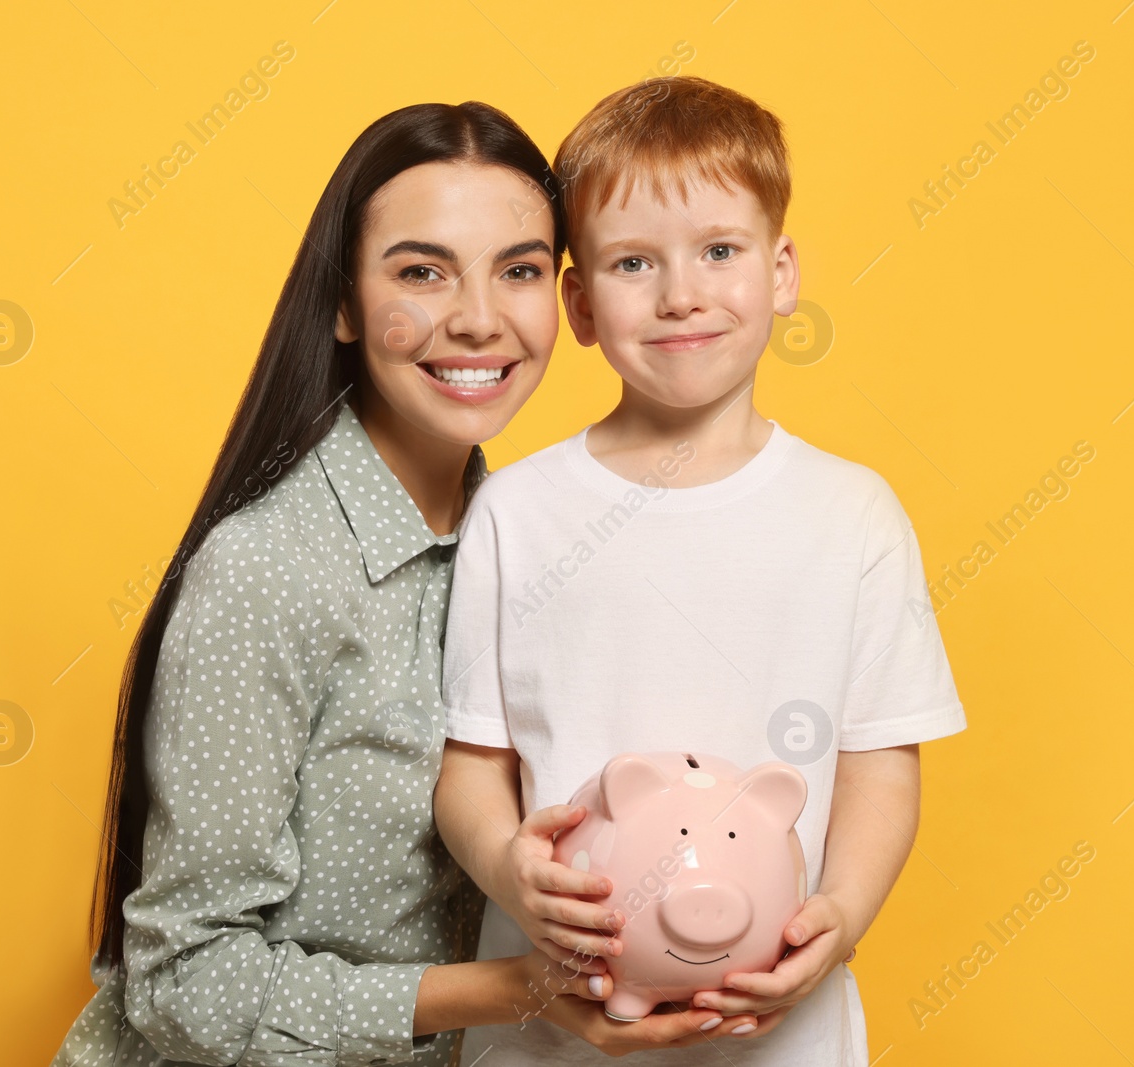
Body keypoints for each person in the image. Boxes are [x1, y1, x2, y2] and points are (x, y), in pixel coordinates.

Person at [50, 100, 757, 1067]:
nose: (476, 318)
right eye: (421, 272)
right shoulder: (267, 571)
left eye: (517, 272)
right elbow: (182, 983)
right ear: (342, 303)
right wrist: (517, 992)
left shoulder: (533, 544)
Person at [434, 76, 968, 1065]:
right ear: (582, 304)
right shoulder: (516, 513)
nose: (681, 293)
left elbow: (880, 761)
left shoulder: (853, 515)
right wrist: (514, 876)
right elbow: (473, 763)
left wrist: (840, 916)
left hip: (780, 1039)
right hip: (552, 1036)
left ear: (778, 271)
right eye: (634, 262)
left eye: (718, 251)